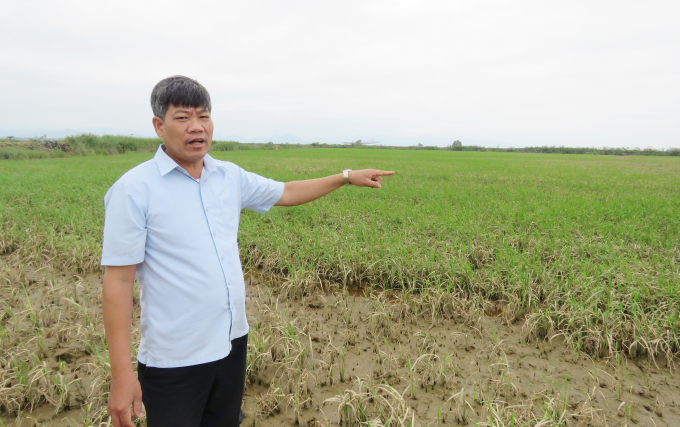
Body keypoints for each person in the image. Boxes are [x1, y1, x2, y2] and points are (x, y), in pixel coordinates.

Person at [101, 75, 394, 427]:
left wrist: (345, 176)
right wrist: (121, 377)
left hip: (231, 345)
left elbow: (285, 192)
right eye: (182, 118)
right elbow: (117, 283)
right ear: (159, 126)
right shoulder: (134, 190)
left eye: (204, 116)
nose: (197, 127)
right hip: (175, 359)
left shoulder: (228, 177)